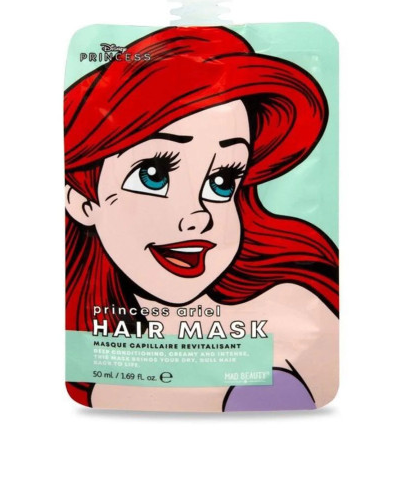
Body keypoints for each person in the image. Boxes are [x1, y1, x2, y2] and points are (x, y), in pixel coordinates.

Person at [65, 26, 338, 411]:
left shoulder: (294, 308)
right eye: (153, 175)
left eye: (222, 181)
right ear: (81, 200)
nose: (197, 217)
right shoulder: (103, 363)